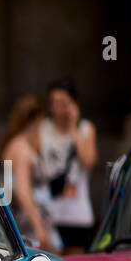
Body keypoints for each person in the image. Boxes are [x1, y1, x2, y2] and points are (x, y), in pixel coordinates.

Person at [38, 78, 97, 252]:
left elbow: (88, 161)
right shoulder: (43, 128)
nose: (58, 109)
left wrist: (73, 126)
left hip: (77, 213)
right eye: (54, 103)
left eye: (63, 103)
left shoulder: (85, 128)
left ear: (74, 103)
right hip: (49, 213)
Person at [0, 94, 62, 253]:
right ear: (38, 119)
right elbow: (22, 189)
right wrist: (39, 228)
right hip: (28, 223)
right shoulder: (22, 148)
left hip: (24, 220)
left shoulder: (16, 144)